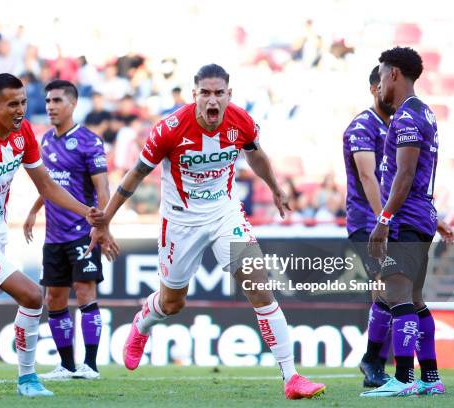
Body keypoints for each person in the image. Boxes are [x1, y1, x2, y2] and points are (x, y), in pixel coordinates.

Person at [87, 64, 325, 399]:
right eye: (206, 94)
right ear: (194, 95)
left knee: (259, 285)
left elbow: (256, 156)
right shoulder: (169, 129)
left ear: (229, 94)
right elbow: (135, 174)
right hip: (181, 222)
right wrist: (106, 220)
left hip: (225, 215)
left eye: (219, 93)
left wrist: (274, 186)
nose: (212, 101)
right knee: (172, 303)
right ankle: (142, 322)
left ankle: (292, 377)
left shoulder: (240, 121)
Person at [0, 73, 117, 396]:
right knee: (31, 295)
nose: (20, 110)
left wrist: (86, 211)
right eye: (12, 104)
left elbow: (46, 186)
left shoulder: (23, 132)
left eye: (24, 102)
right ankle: (27, 379)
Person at [365, 47, 446, 397]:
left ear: (394, 74)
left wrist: (384, 220)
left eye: (381, 75)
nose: (379, 83)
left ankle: (403, 379)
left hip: (407, 218)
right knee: (413, 297)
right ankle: (429, 379)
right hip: (421, 216)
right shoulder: (423, 112)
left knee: (396, 296)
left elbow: (406, 174)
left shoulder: (407, 117)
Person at [23, 80, 109, 380]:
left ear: (72, 104)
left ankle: (91, 365)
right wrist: (34, 210)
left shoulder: (89, 142)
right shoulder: (45, 141)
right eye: (48, 101)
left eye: (57, 100)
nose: (50, 106)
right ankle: (67, 365)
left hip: (81, 233)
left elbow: (102, 188)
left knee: (85, 293)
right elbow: (50, 185)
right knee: (54, 300)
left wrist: (102, 226)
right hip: (53, 236)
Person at [342, 66, 393, 387]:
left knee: (397, 289)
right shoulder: (362, 126)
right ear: (375, 89)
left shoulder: (401, 127)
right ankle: (372, 361)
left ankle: (378, 363)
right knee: (385, 283)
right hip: (368, 221)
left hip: (391, 219)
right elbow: (367, 177)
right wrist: (382, 220)